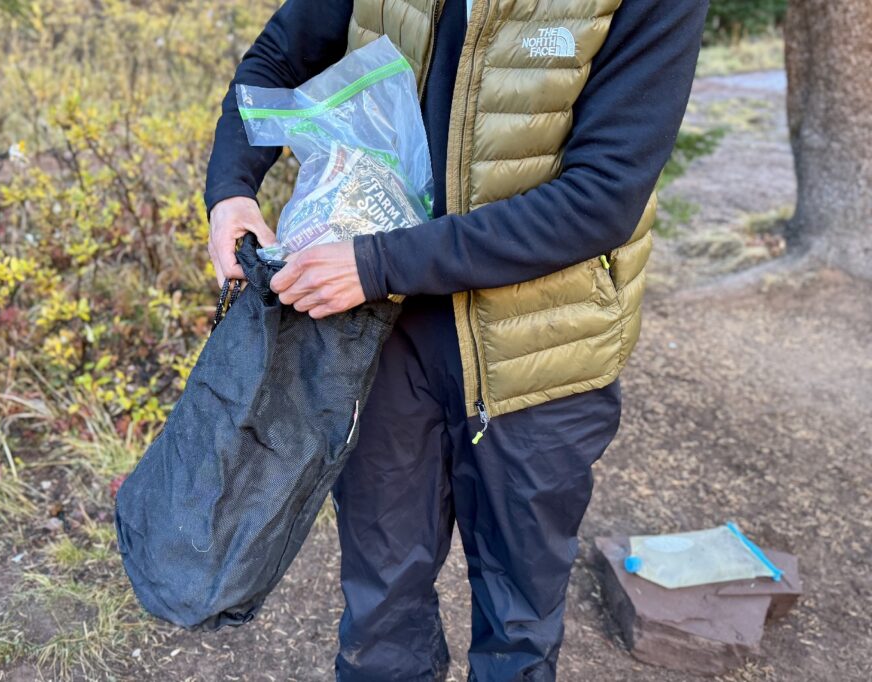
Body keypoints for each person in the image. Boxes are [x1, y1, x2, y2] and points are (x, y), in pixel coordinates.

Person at [204, 1, 707, 679]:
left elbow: (602, 196)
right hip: (379, 341)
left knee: (517, 625)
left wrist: (378, 263)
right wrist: (231, 189)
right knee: (378, 614)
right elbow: (279, 58)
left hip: (538, 356)